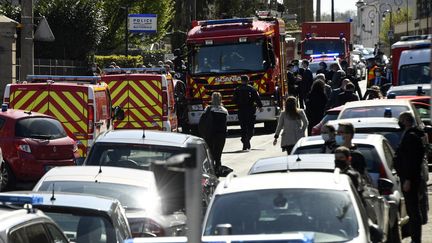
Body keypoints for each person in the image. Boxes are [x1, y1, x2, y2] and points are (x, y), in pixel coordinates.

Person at [394, 111, 427, 243]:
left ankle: (415, 239)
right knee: (412, 209)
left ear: (407, 121)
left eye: (401, 120)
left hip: (411, 179)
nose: (399, 123)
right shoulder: (413, 134)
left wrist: (407, 179)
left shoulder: (411, 137)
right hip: (411, 177)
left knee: (413, 210)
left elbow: (411, 161)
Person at [202, 92, 229, 176]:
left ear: (212, 99)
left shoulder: (208, 109)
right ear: (221, 99)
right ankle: (218, 168)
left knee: (210, 152)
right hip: (221, 134)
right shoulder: (224, 110)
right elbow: (226, 122)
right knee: (219, 152)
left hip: (210, 133)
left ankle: (211, 169)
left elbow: (203, 121)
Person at [233, 75, 263, 150]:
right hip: (250, 110)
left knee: (243, 127)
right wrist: (260, 107)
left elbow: (234, 100)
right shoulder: (252, 89)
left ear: (241, 80)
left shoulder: (237, 89)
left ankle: (244, 141)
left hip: (241, 111)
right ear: (248, 80)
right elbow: (257, 99)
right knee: (250, 127)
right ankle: (247, 140)